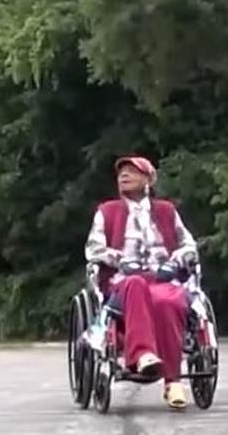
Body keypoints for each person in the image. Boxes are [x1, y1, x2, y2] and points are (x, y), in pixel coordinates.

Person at [84, 155, 198, 409]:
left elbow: (189, 245)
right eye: (121, 172)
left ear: (148, 179)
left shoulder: (167, 211)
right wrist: (118, 259)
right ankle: (143, 354)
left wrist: (176, 261)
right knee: (135, 284)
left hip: (161, 277)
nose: (124, 175)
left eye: (132, 172)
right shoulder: (107, 211)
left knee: (168, 301)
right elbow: (94, 249)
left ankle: (173, 382)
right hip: (123, 280)